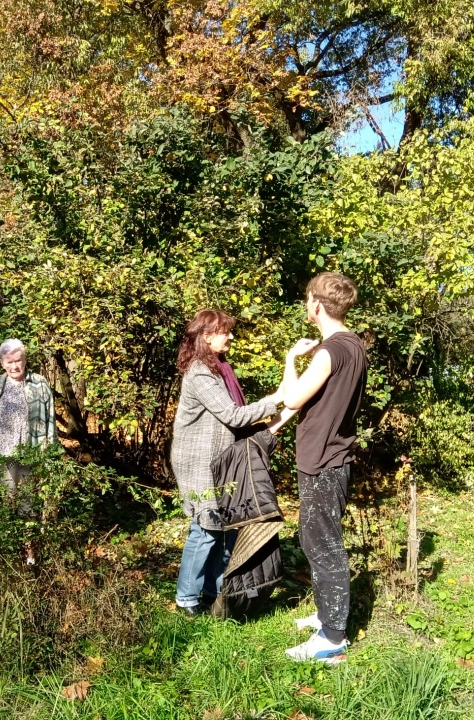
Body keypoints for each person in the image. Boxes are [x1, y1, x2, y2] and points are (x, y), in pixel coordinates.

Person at [170, 309, 290, 615]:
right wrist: (276, 398)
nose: (231, 336)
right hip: (198, 460)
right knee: (205, 528)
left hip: (220, 458)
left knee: (223, 525)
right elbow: (232, 415)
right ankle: (187, 599)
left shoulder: (218, 368)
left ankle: (212, 590)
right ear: (207, 336)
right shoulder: (200, 373)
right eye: (226, 332)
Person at [281, 272, 367, 664]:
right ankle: (325, 613)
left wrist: (290, 359)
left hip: (323, 459)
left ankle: (332, 638)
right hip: (334, 456)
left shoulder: (329, 351)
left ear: (316, 304)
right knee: (316, 539)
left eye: (306, 300)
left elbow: (294, 398)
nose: (306, 306)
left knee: (322, 544)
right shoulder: (355, 345)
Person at [0, 338, 58, 563]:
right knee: (6, 502)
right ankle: (5, 554)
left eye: (19, 360)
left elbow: (50, 420)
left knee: (29, 504)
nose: (15, 366)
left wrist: (50, 451)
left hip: (32, 452)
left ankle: (30, 555)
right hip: (4, 455)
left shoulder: (39, 384)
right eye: (9, 362)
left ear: (25, 360)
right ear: (2, 363)